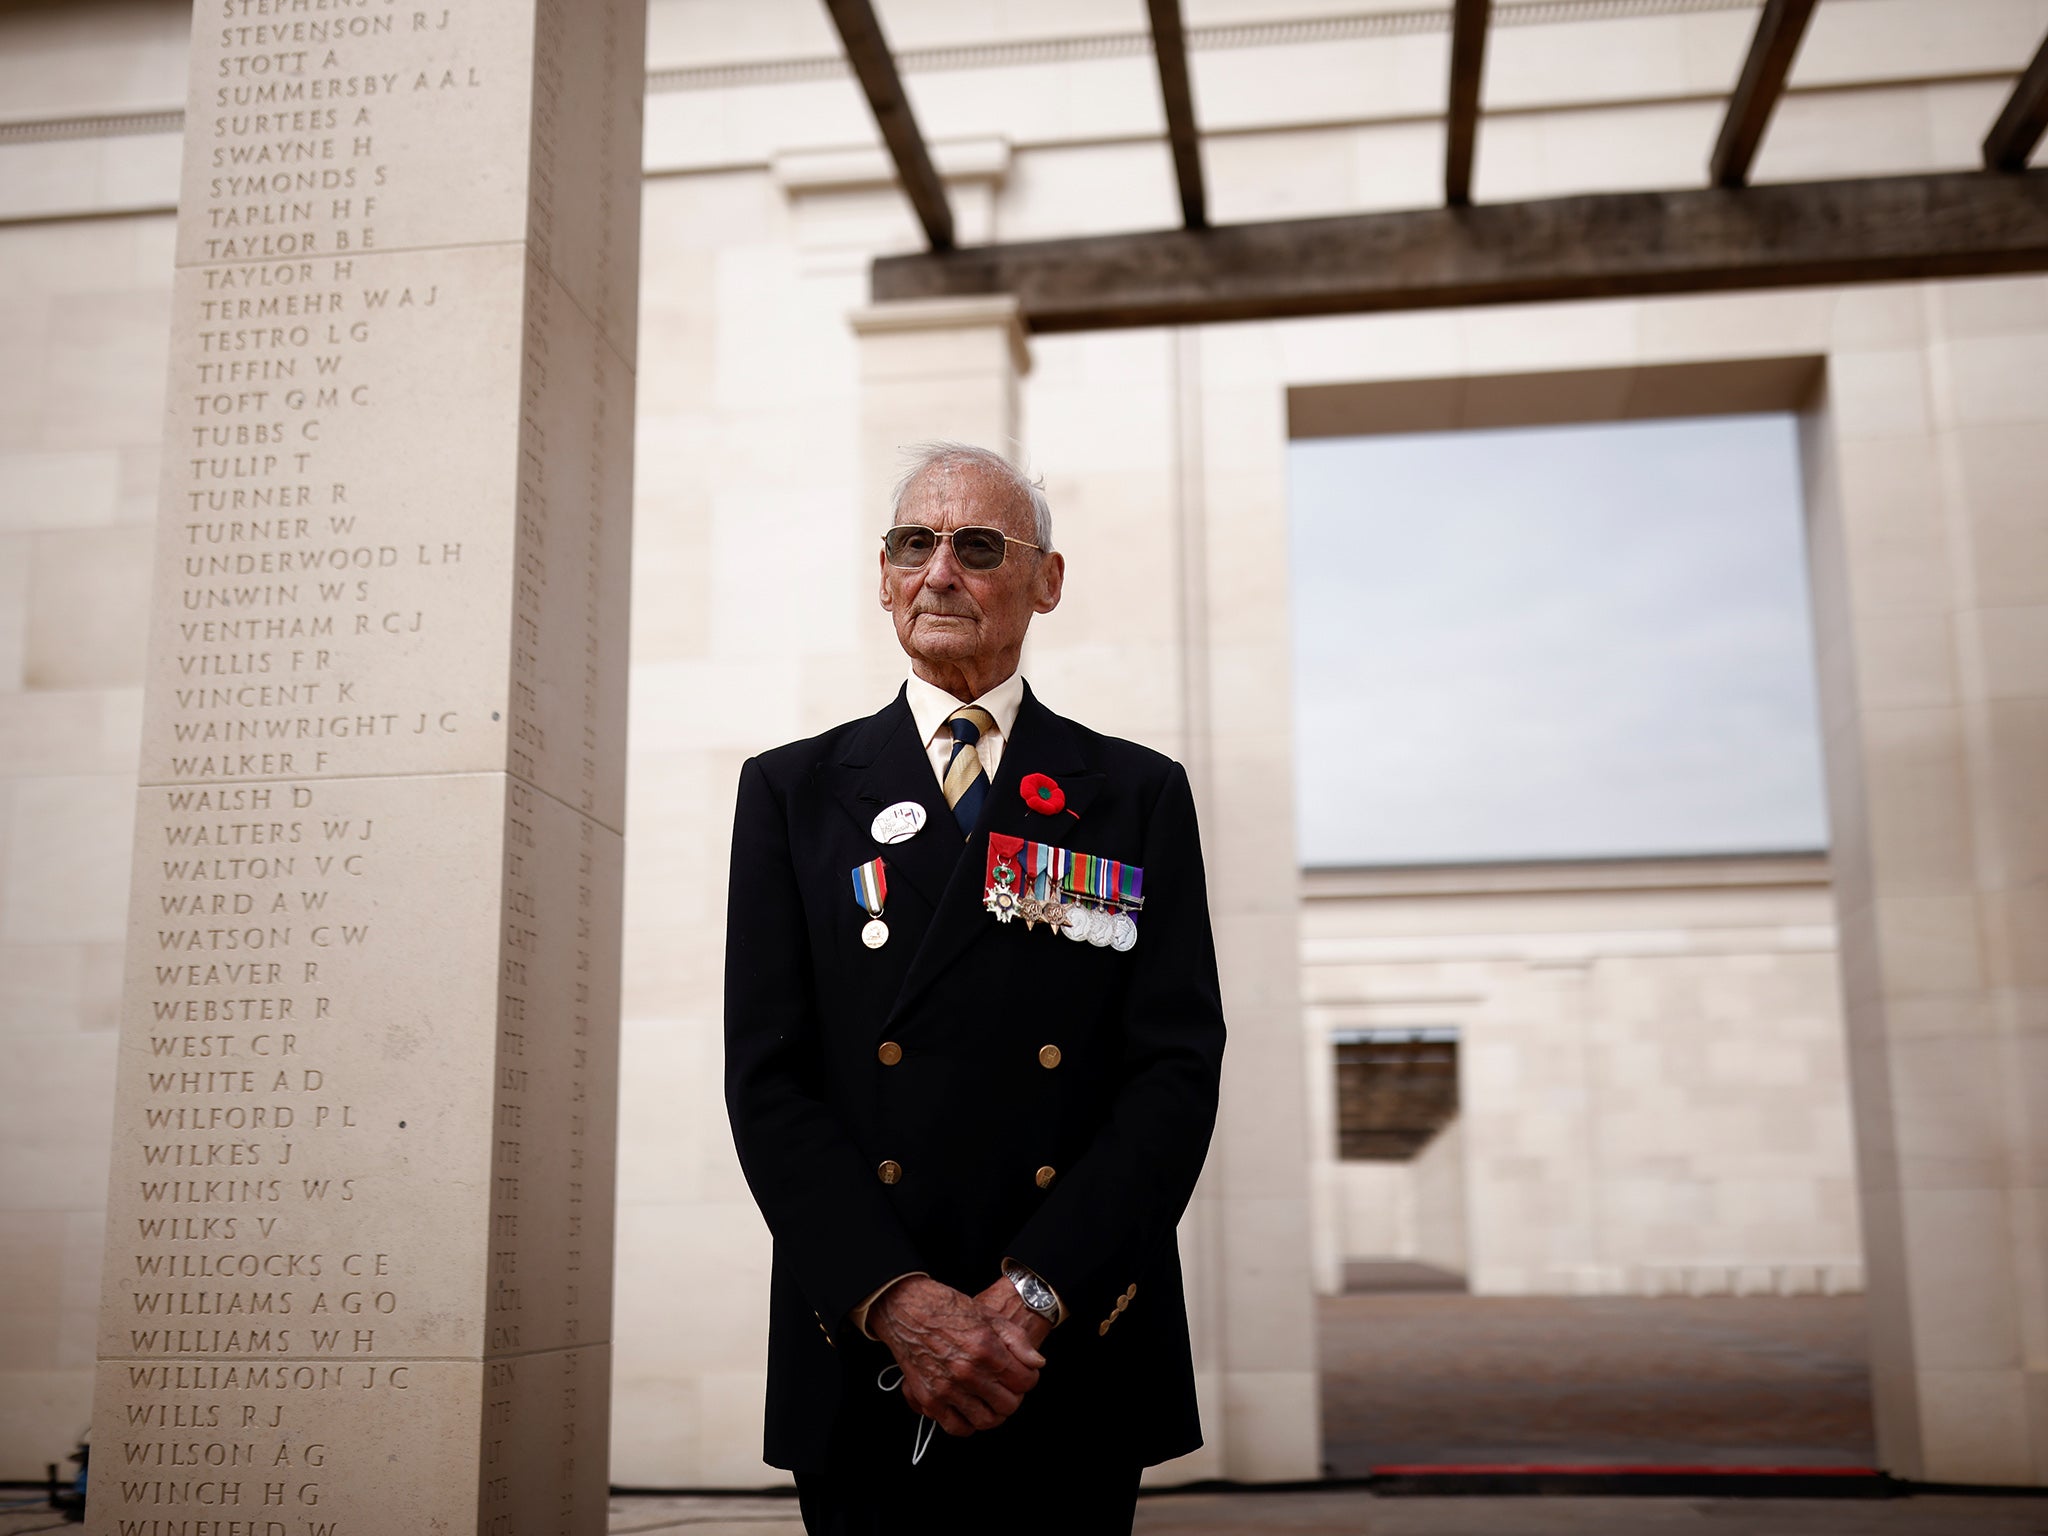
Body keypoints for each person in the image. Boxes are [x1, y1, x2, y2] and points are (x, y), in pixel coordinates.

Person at [724, 441, 1227, 1535]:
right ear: (883, 575)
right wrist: (898, 1305)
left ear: (1044, 580)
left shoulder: (1133, 793)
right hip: (865, 1340)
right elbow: (768, 1082)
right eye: (915, 543)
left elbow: (1173, 1074)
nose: (939, 570)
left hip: (1067, 1343)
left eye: (977, 545)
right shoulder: (792, 794)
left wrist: (1034, 1295)